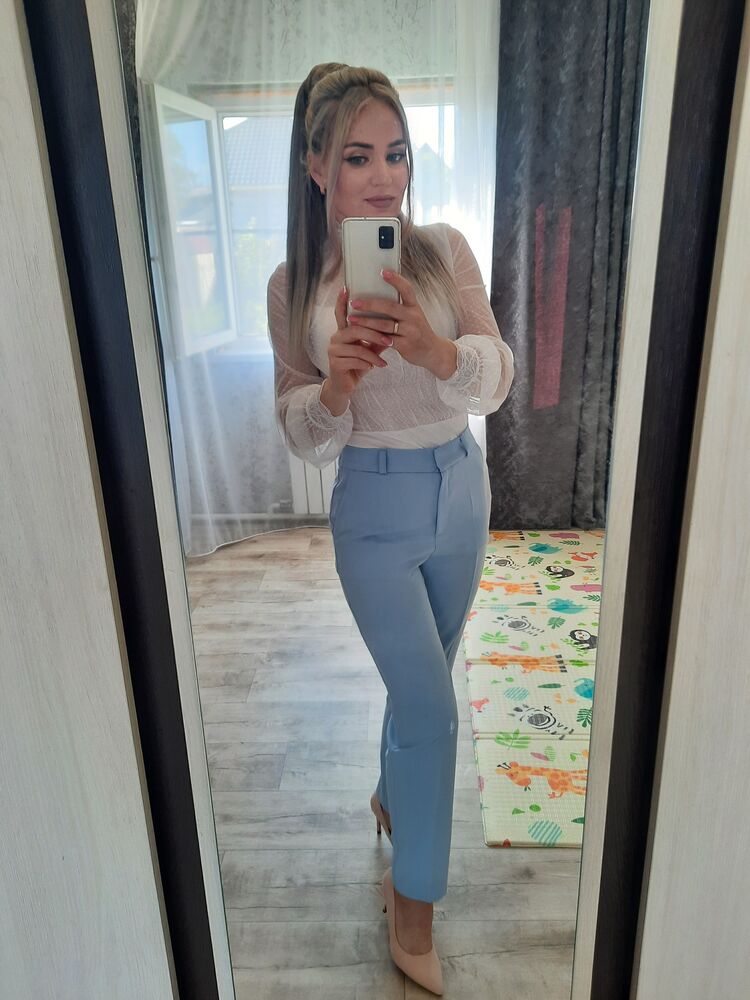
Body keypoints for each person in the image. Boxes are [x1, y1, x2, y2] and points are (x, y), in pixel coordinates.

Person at [267, 63, 514, 995]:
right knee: (432, 708)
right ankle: (412, 903)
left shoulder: (442, 250)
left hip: (461, 489)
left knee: (425, 681)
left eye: (397, 153)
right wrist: (335, 384)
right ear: (315, 166)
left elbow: (497, 375)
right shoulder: (294, 286)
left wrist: (435, 350)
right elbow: (302, 434)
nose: (383, 177)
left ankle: (389, 793)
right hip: (372, 507)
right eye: (357, 156)